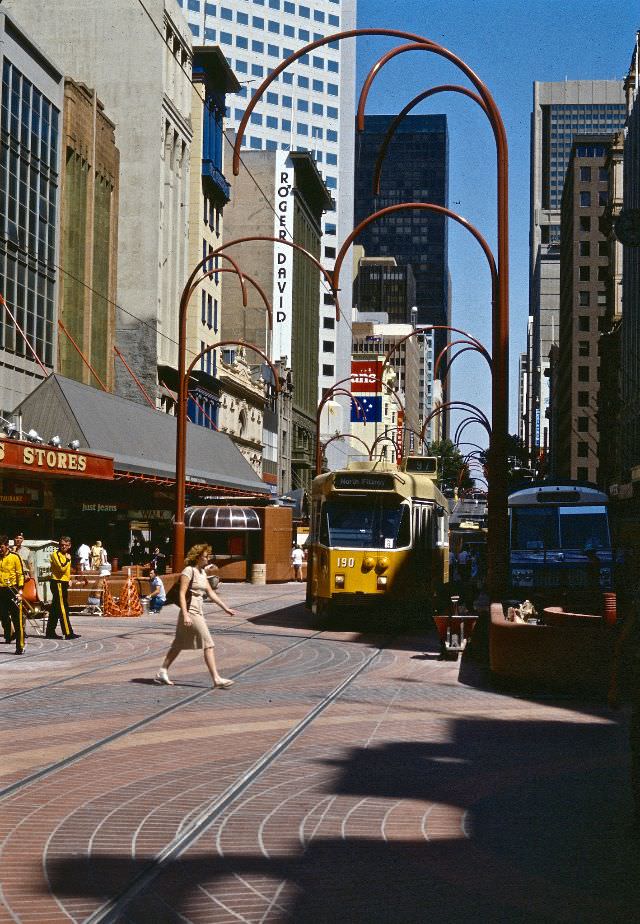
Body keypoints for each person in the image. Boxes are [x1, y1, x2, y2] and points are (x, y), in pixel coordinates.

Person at [155, 543, 239, 688]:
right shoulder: (189, 571)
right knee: (208, 643)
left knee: (179, 643)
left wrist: (226, 608)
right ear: (198, 557)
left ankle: (162, 671)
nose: (208, 558)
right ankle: (216, 679)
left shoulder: (202, 572)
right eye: (206, 556)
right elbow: (182, 594)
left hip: (198, 611)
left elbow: (210, 593)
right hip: (191, 611)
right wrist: (186, 615)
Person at [47, 536, 81, 640]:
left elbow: (67, 570)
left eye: (66, 545)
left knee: (55, 608)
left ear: (69, 546)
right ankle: (67, 632)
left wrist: (68, 579)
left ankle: (50, 631)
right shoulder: (55, 555)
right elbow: (61, 568)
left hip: (63, 582)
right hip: (58, 582)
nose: (63, 547)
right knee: (63, 608)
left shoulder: (67, 555)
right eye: (62, 545)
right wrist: (67, 560)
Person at [0, 535, 25, 654]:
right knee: (3, 616)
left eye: (1, 547)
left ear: (7, 546)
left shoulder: (15, 557)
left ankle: (20, 646)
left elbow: (20, 574)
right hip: (1, 590)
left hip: (12, 590)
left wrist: (20, 591)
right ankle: (9, 634)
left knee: (17, 619)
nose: (0, 549)